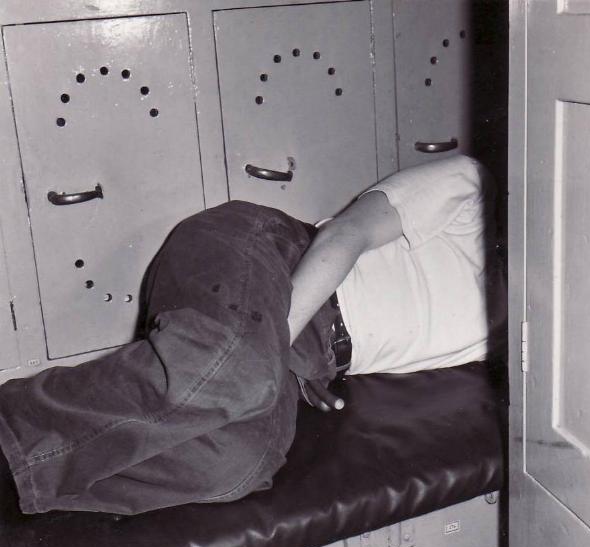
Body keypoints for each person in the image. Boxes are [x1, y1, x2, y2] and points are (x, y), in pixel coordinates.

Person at [0, 155, 505, 515]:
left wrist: (293, 366)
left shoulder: (523, 322)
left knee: (237, 466)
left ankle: (23, 484)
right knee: (238, 372)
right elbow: (344, 235)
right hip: (268, 258)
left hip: (304, 359)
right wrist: (274, 352)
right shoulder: (470, 186)